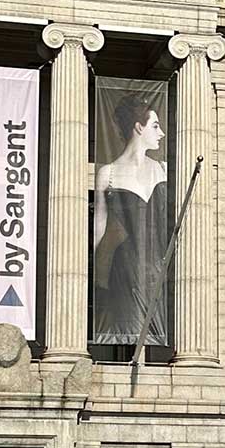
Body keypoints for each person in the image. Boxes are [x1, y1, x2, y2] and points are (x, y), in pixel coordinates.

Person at [91, 93, 171, 344]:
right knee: (127, 330)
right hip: (124, 267)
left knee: (156, 329)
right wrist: (97, 279)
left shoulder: (163, 169)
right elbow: (98, 232)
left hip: (158, 267)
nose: (162, 134)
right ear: (139, 127)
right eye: (155, 126)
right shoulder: (108, 173)